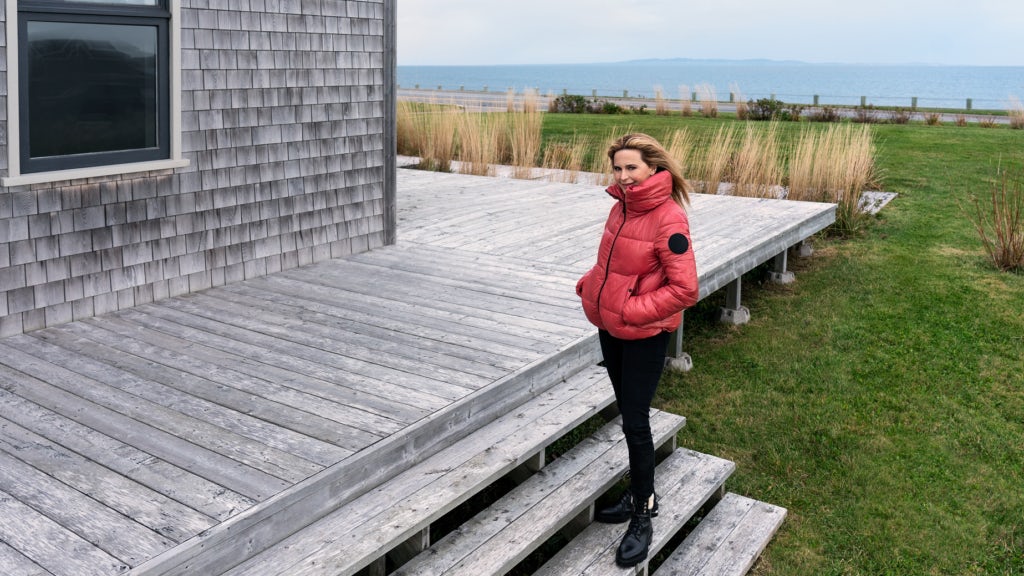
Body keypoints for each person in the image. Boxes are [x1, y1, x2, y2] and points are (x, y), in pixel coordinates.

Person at [575, 133, 699, 567]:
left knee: (636, 422)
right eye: (618, 168)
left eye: (632, 168)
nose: (624, 176)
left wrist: (630, 309)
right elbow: (612, 264)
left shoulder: (669, 218)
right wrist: (591, 286)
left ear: (653, 168)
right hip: (610, 328)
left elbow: (685, 289)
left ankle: (643, 510)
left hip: (643, 335)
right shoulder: (620, 206)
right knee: (628, 416)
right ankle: (637, 494)